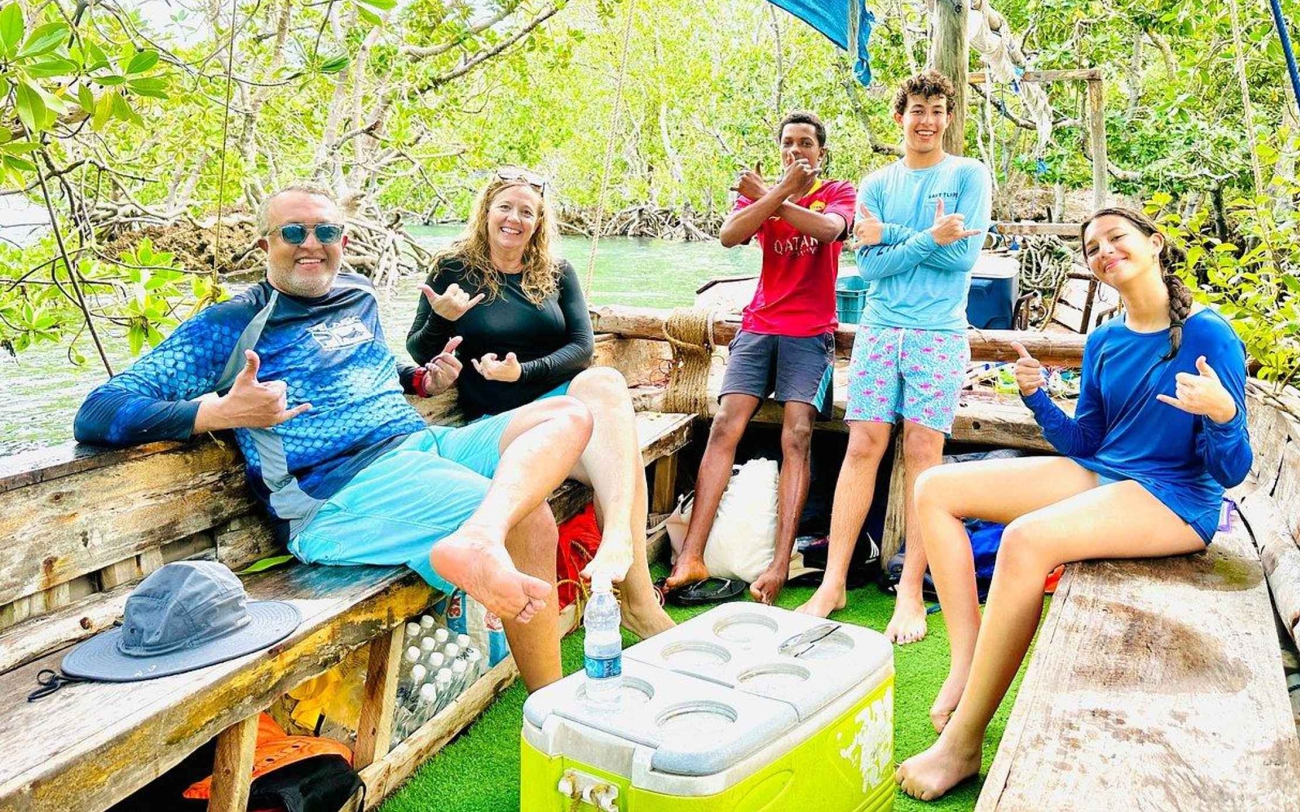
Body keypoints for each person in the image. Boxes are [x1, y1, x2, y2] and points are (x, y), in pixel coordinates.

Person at [74, 184, 590, 690]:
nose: (311, 243)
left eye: (327, 231)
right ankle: (551, 708)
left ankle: (479, 536)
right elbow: (99, 410)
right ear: (265, 245)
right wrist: (218, 411)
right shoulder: (232, 324)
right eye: (293, 231)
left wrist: (419, 378)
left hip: (417, 443)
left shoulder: (358, 294)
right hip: (335, 493)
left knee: (567, 415)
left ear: (343, 239)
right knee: (529, 514)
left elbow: (369, 366)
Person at [895, 207, 1253, 801]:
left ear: (1155, 244)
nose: (1105, 251)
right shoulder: (1107, 339)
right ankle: (966, 662)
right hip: (1106, 474)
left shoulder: (1208, 335)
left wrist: (1222, 413)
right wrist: (1038, 400)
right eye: (1092, 247)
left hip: (1174, 499)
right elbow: (1087, 443)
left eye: (1118, 238)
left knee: (1027, 538)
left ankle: (964, 741)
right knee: (935, 488)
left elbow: (1233, 470)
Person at [407, 167, 674, 639]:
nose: (514, 218)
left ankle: (619, 552)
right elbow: (420, 352)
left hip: (559, 400)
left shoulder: (556, 271)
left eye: (526, 212)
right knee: (622, 460)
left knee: (606, 381)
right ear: (487, 212)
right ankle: (638, 601)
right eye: (505, 207)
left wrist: (524, 371)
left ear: (539, 221)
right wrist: (442, 321)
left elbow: (581, 348)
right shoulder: (454, 268)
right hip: (504, 420)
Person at [798, 70, 991, 644]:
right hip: (881, 329)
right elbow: (872, 267)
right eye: (916, 109)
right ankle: (831, 582)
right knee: (863, 445)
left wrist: (897, 237)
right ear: (900, 117)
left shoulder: (968, 175)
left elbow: (962, 262)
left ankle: (910, 591)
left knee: (924, 453)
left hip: (938, 332)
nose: (926, 120)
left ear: (949, 117)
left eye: (937, 109)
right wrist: (931, 236)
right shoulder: (877, 182)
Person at [661, 111, 856, 607]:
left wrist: (778, 194)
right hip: (758, 325)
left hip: (810, 333)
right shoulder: (759, 193)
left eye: (806, 144)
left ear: (821, 153)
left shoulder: (838, 190)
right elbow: (730, 235)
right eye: (789, 144)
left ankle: (776, 566)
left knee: (797, 433)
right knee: (726, 424)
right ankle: (691, 557)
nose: (797, 151)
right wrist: (773, 193)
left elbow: (830, 230)